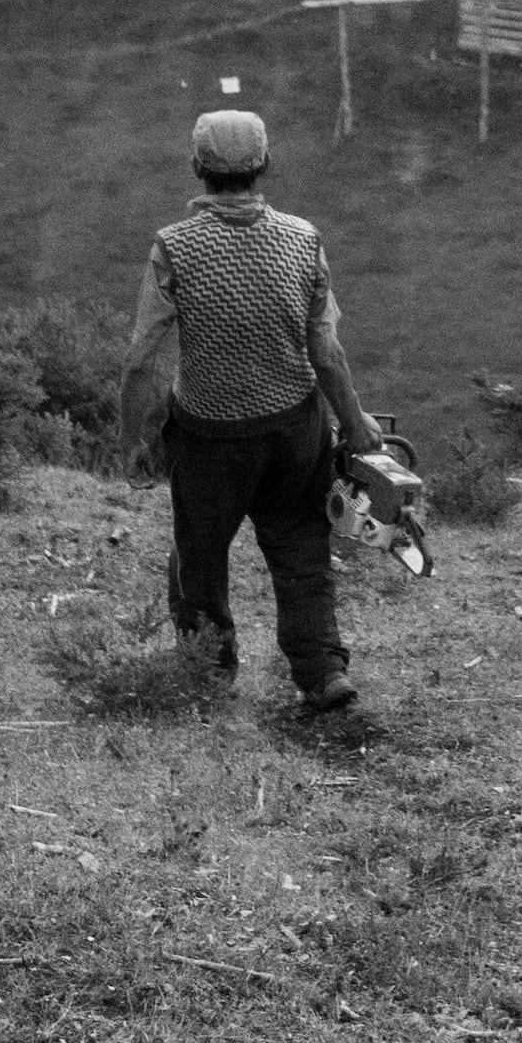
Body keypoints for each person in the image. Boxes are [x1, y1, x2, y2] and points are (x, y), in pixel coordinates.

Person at [121, 107, 383, 714]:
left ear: (197, 167)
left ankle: (208, 677)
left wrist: (131, 438)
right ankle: (321, 672)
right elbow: (325, 347)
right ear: (264, 166)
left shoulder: (174, 248)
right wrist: (355, 421)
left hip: (210, 437)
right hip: (295, 427)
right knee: (300, 550)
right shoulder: (301, 238)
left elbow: (143, 359)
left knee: (200, 558)